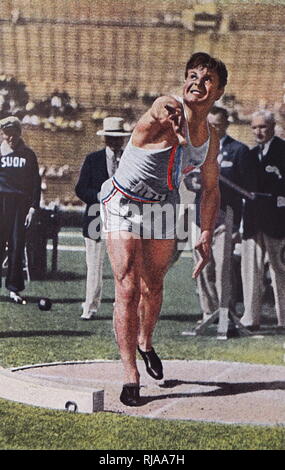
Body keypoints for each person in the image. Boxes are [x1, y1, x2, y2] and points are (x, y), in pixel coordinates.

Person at [100, 52, 228, 406]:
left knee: (152, 285)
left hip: (162, 205)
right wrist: (167, 114)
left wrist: (204, 234)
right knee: (126, 284)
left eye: (206, 80)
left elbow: (211, 188)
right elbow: (159, 108)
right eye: (192, 75)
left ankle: (146, 343)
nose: (196, 83)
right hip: (123, 201)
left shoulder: (211, 136)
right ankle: (131, 376)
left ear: (217, 93)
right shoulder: (167, 106)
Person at [185, 106, 249, 320]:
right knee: (203, 268)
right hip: (200, 218)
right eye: (208, 124)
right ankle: (208, 312)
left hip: (226, 218)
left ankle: (225, 313)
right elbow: (188, 179)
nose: (212, 128)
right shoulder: (196, 149)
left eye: (217, 124)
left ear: (226, 125)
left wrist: (239, 226)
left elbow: (245, 190)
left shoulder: (239, 150)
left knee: (223, 268)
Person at [75, 117, 131, 320]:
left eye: (120, 139)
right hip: (95, 219)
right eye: (113, 139)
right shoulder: (93, 160)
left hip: (123, 221)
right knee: (94, 266)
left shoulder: (130, 160)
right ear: (106, 139)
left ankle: (122, 307)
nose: (117, 143)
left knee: (123, 267)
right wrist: (99, 196)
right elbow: (80, 189)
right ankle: (89, 307)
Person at [239, 110, 285, 330]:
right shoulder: (248, 154)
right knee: (251, 271)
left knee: (280, 270)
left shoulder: (282, 151)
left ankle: (283, 318)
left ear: (272, 126)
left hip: (277, 223)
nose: (258, 132)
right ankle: (251, 318)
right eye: (255, 127)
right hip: (252, 222)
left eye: (263, 127)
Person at [0, 116, 41, 303]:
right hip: (1, 202)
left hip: (20, 205)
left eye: (13, 134)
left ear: (19, 133)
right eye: (6, 134)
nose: (10, 138)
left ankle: (14, 288)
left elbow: (35, 184)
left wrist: (33, 207)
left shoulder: (28, 155)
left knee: (16, 246)